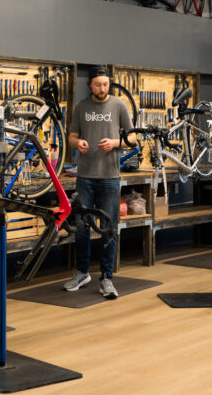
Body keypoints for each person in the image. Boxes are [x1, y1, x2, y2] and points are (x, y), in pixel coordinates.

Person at [63, 65, 135, 298]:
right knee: (82, 228)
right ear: (90, 85)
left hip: (110, 178)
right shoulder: (82, 107)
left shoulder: (119, 105)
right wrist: (77, 143)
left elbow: (133, 138)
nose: (102, 88)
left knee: (108, 228)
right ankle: (82, 272)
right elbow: (72, 136)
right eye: (98, 84)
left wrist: (115, 144)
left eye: (106, 84)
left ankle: (106, 277)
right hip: (85, 177)